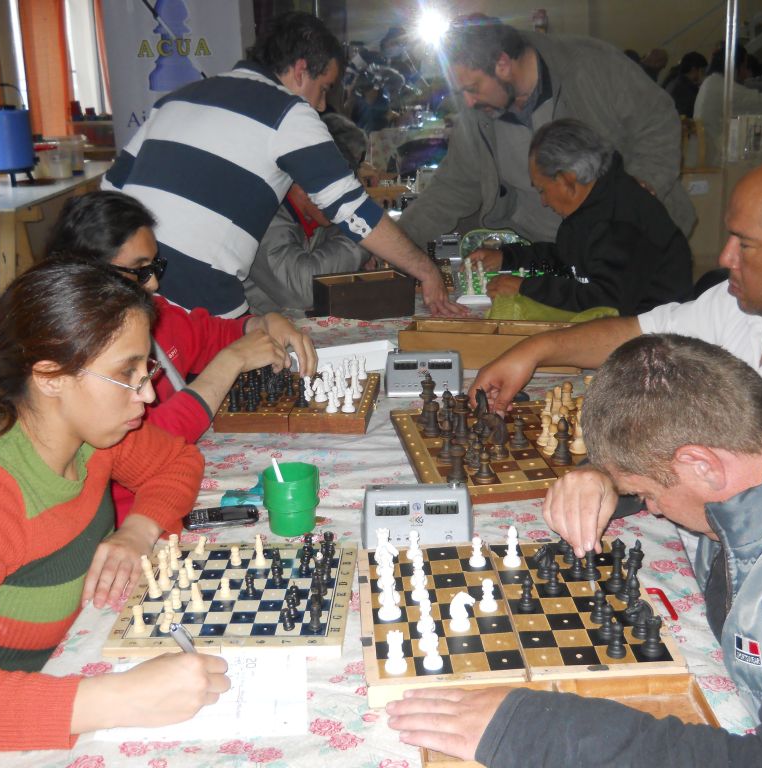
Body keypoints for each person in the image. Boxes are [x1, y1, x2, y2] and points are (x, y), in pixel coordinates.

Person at [387, 333, 762, 767]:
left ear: (701, 464)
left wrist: (536, 730)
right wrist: (601, 478)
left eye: (646, 493)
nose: (651, 508)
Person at [0, 261, 229, 761]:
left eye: (146, 369)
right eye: (126, 374)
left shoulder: (90, 437)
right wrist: (123, 698)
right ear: (50, 377)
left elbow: (177, 462)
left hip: (62, 670)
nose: (147, 393)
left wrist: (137, 531)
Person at [469, 151, 762, 478]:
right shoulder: (745, 299)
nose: (725, 258)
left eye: (744, 244)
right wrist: (535, 350)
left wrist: (625, 473)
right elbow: (638, 333)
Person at [103, 12, 461, 318]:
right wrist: (425, 270)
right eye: (324, 88)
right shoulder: (289, 111)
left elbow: (110, 192)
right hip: (202, 295)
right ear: (301, 70)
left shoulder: (175, 100)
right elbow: (354, 212)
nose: (322, 106)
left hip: (127, 284)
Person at [45, 190, 316, 524]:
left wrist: (261, 323)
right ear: (87, 274)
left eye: (155, 266)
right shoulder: (80, 358)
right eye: (138, 270)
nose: (153, 284)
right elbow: (147, 444)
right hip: (123, 512)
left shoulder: (155, 313)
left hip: (168, 488)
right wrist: (230, 362)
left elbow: (207, 335)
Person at [397, 18, 696, 250]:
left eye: (472, 88)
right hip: (545, 249)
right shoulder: (479, 113)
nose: (468, 102)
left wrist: (638, 193)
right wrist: (397, 242)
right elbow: (451, 189)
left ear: (503, 64)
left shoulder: (590, 66)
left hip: (632, 243)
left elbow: (658, 123)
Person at [467, 119, 692, 314]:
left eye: (543, 190)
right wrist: (508, 258)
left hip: (649, 336)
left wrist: (525, 288)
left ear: (567, 180)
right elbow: (569, 260)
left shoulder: (621, 221)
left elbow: (605, 303)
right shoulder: (598, 201)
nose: (544, 202)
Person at [244, 113, 370, 314]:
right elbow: (304, 290)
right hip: (243, 329)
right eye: (336, 188)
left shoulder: (316, 216)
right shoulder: (263, 217)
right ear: (302, 182)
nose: (342, 198)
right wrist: (364, 236)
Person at [693, 44, 762, 165]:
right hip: (716, 156)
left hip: (708, 149)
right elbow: (759, 101)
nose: (746, 73)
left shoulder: (711, 81)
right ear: (736, 66)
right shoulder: (723, 85)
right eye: (744, 67)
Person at [664, 51, 707, 117]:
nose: (704, 75)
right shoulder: (685, 90)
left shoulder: (674, 82)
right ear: (694, 70)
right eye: (703, 71)